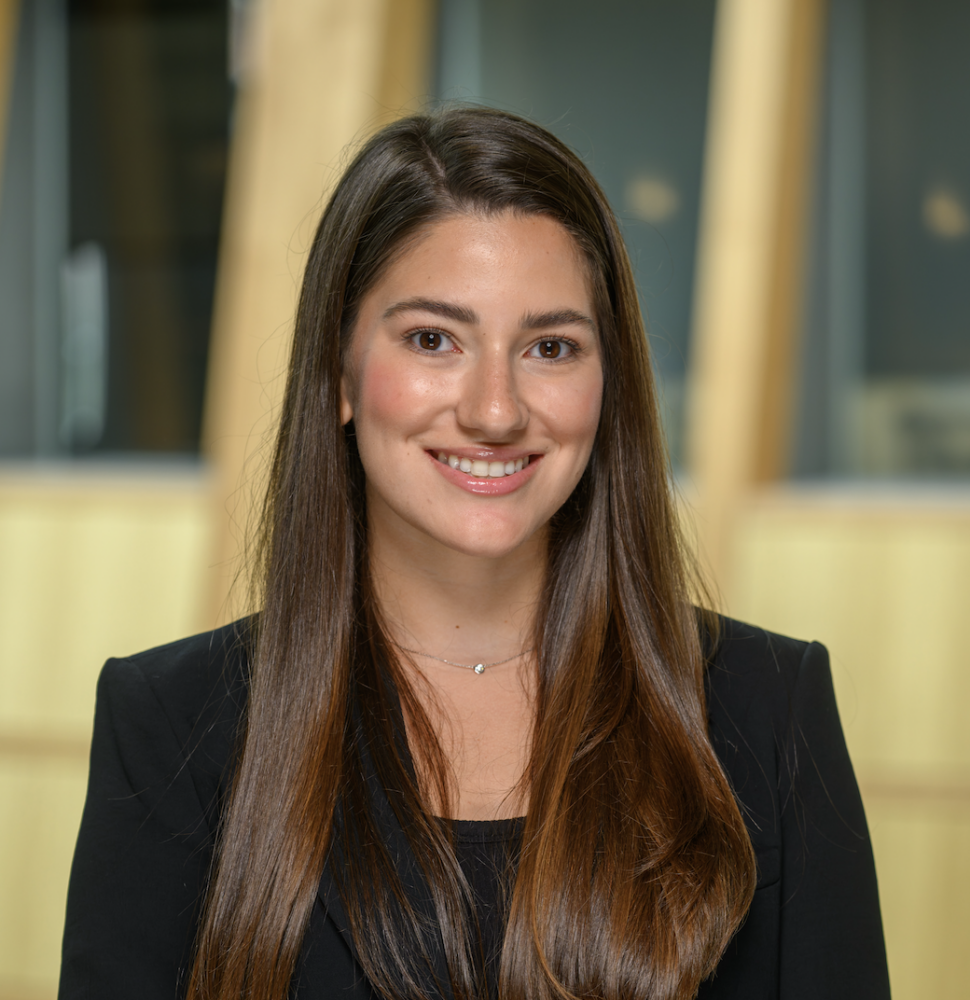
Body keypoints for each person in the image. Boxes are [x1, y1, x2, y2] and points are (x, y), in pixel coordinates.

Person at [58, 107, 890, 1000]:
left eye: (550, 347)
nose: (495, 410)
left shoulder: (769, 713)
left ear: (608, 384)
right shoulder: (173, 726)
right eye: (432, 340)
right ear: (339, 374)